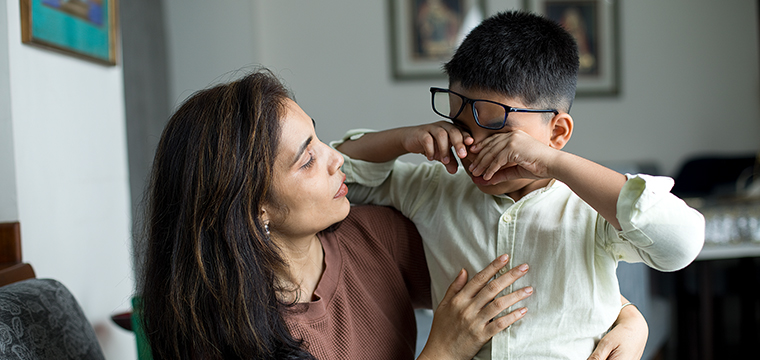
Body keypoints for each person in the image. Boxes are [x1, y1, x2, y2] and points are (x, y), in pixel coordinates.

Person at [138, 68, 648, 360]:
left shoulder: (374, 237)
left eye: (317, 135)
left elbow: (528, 273)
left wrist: (628, 317)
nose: (337, 157)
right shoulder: (229, 336)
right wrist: (443, 351)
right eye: (308, 157)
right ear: (254, 210)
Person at [335, 11, 704, 360]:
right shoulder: (433, 186)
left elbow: (681, 244)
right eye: (461, 128)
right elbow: (336, 174)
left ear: (557, 132)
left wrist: (552, 163)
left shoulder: (590, 206)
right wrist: (405, 139)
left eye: (499, 131)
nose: (473, 149)